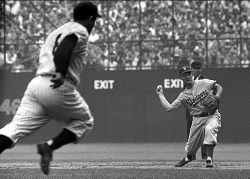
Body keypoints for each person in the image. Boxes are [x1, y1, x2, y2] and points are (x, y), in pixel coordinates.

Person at [0, 1, 102, 175]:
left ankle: (47, 147)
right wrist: (61, 72)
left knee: (12, 130)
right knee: (84, 122)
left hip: (37, 85)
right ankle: (49, 147)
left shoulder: (56, 31)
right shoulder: (80, 30)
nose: (94, 24)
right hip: (57, 84)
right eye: (95, 20)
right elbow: (64, 49)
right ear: (91, 18)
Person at [156, 66, 223, 168]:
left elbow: (218, 87)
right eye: (185, 75)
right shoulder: (183, 96)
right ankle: (188, 158)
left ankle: (209, 159)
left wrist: (217, 96)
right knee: (190, 149)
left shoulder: (203, 82)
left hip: (212, 115)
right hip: (197, 120)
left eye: (189, 74)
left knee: (209, 129)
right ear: (181, 78)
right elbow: (169, 108)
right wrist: (160, 94)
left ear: (192, 75)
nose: (188, 76)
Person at [186, 61, 207, 160]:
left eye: (198, 68)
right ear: (191, 69)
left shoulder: (204, 80)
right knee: (191, 136)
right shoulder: (187, 80)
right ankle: (191, 156)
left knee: (203, 135)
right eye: (194, 68)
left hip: (202, 113)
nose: (197, 69)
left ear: (201, 69)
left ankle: (205, 156)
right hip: (190, 112)